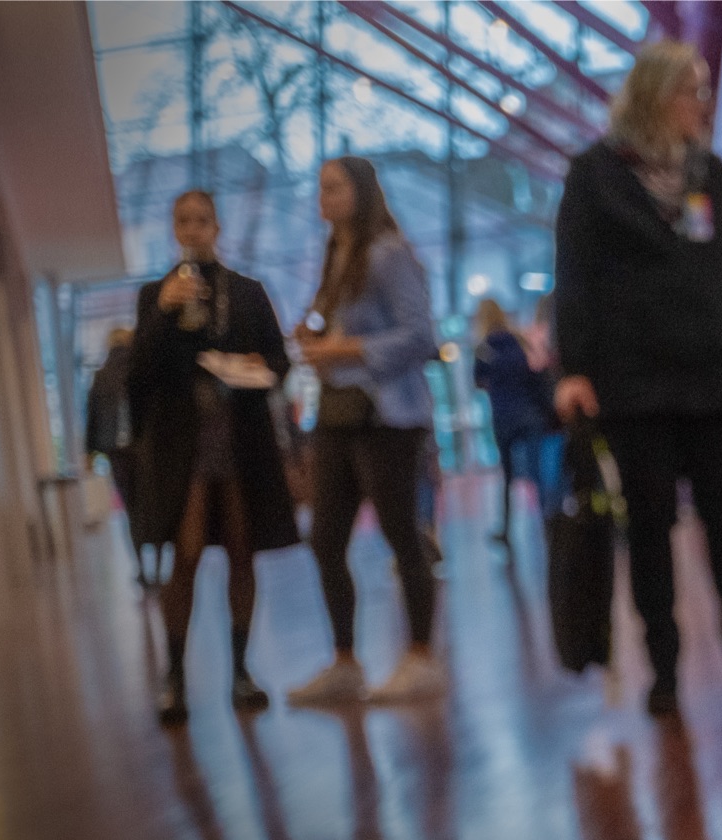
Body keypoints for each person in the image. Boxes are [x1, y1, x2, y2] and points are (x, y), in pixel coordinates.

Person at [553, 40, 722, 716]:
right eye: (689, 90)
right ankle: (665, 668)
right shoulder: (595, 176)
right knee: (648, 531)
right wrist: (574, 368)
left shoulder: (711, 173)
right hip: (635, 384)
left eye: (703, 90)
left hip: (713, 380)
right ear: (654, 96)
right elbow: (574, 276)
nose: (701, 103)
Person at [126, 190, 301, 725]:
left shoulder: (247, 292)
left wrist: (252, 366)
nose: (194, 230)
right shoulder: (155, 294)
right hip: (183, 445)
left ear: (217, 227)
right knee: (186, 552)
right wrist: (163, 312)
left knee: (243, 549)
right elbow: (139, 374)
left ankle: (241, 671)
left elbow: (280, 361)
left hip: (242, 438)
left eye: (202, 220)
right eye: (184, 221)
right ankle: (175, 675)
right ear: (174, 228)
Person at [288, 155, 443, 706]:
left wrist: (347, 348)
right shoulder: (336, 255)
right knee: (325, 538)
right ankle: (345, 661)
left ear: (361, 191)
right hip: (338, 411)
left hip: (386, 415)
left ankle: (420, 655)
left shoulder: (388, 252)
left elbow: (421, 336)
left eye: (334, 187)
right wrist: (314, 338)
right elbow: (333, 326)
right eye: (320, 187)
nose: (323, 197)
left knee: (403, 534)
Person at [472, 297, 556, 544]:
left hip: (503, 417)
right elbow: (535, 372)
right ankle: (549, 523)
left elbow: (478, 381)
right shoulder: (519, 341)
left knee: (508, 477)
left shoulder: (485, 349)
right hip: (529, 414)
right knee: (537, 473)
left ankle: (506, 529)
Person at [85, 327, 154, 586]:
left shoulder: (101, 375)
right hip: (142, 446)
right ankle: (156, 561)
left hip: (115, 450)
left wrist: (90, 451)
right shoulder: (138, 370)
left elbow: (92, 415)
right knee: (148, 504)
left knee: (131, 509)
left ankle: (141, 567)